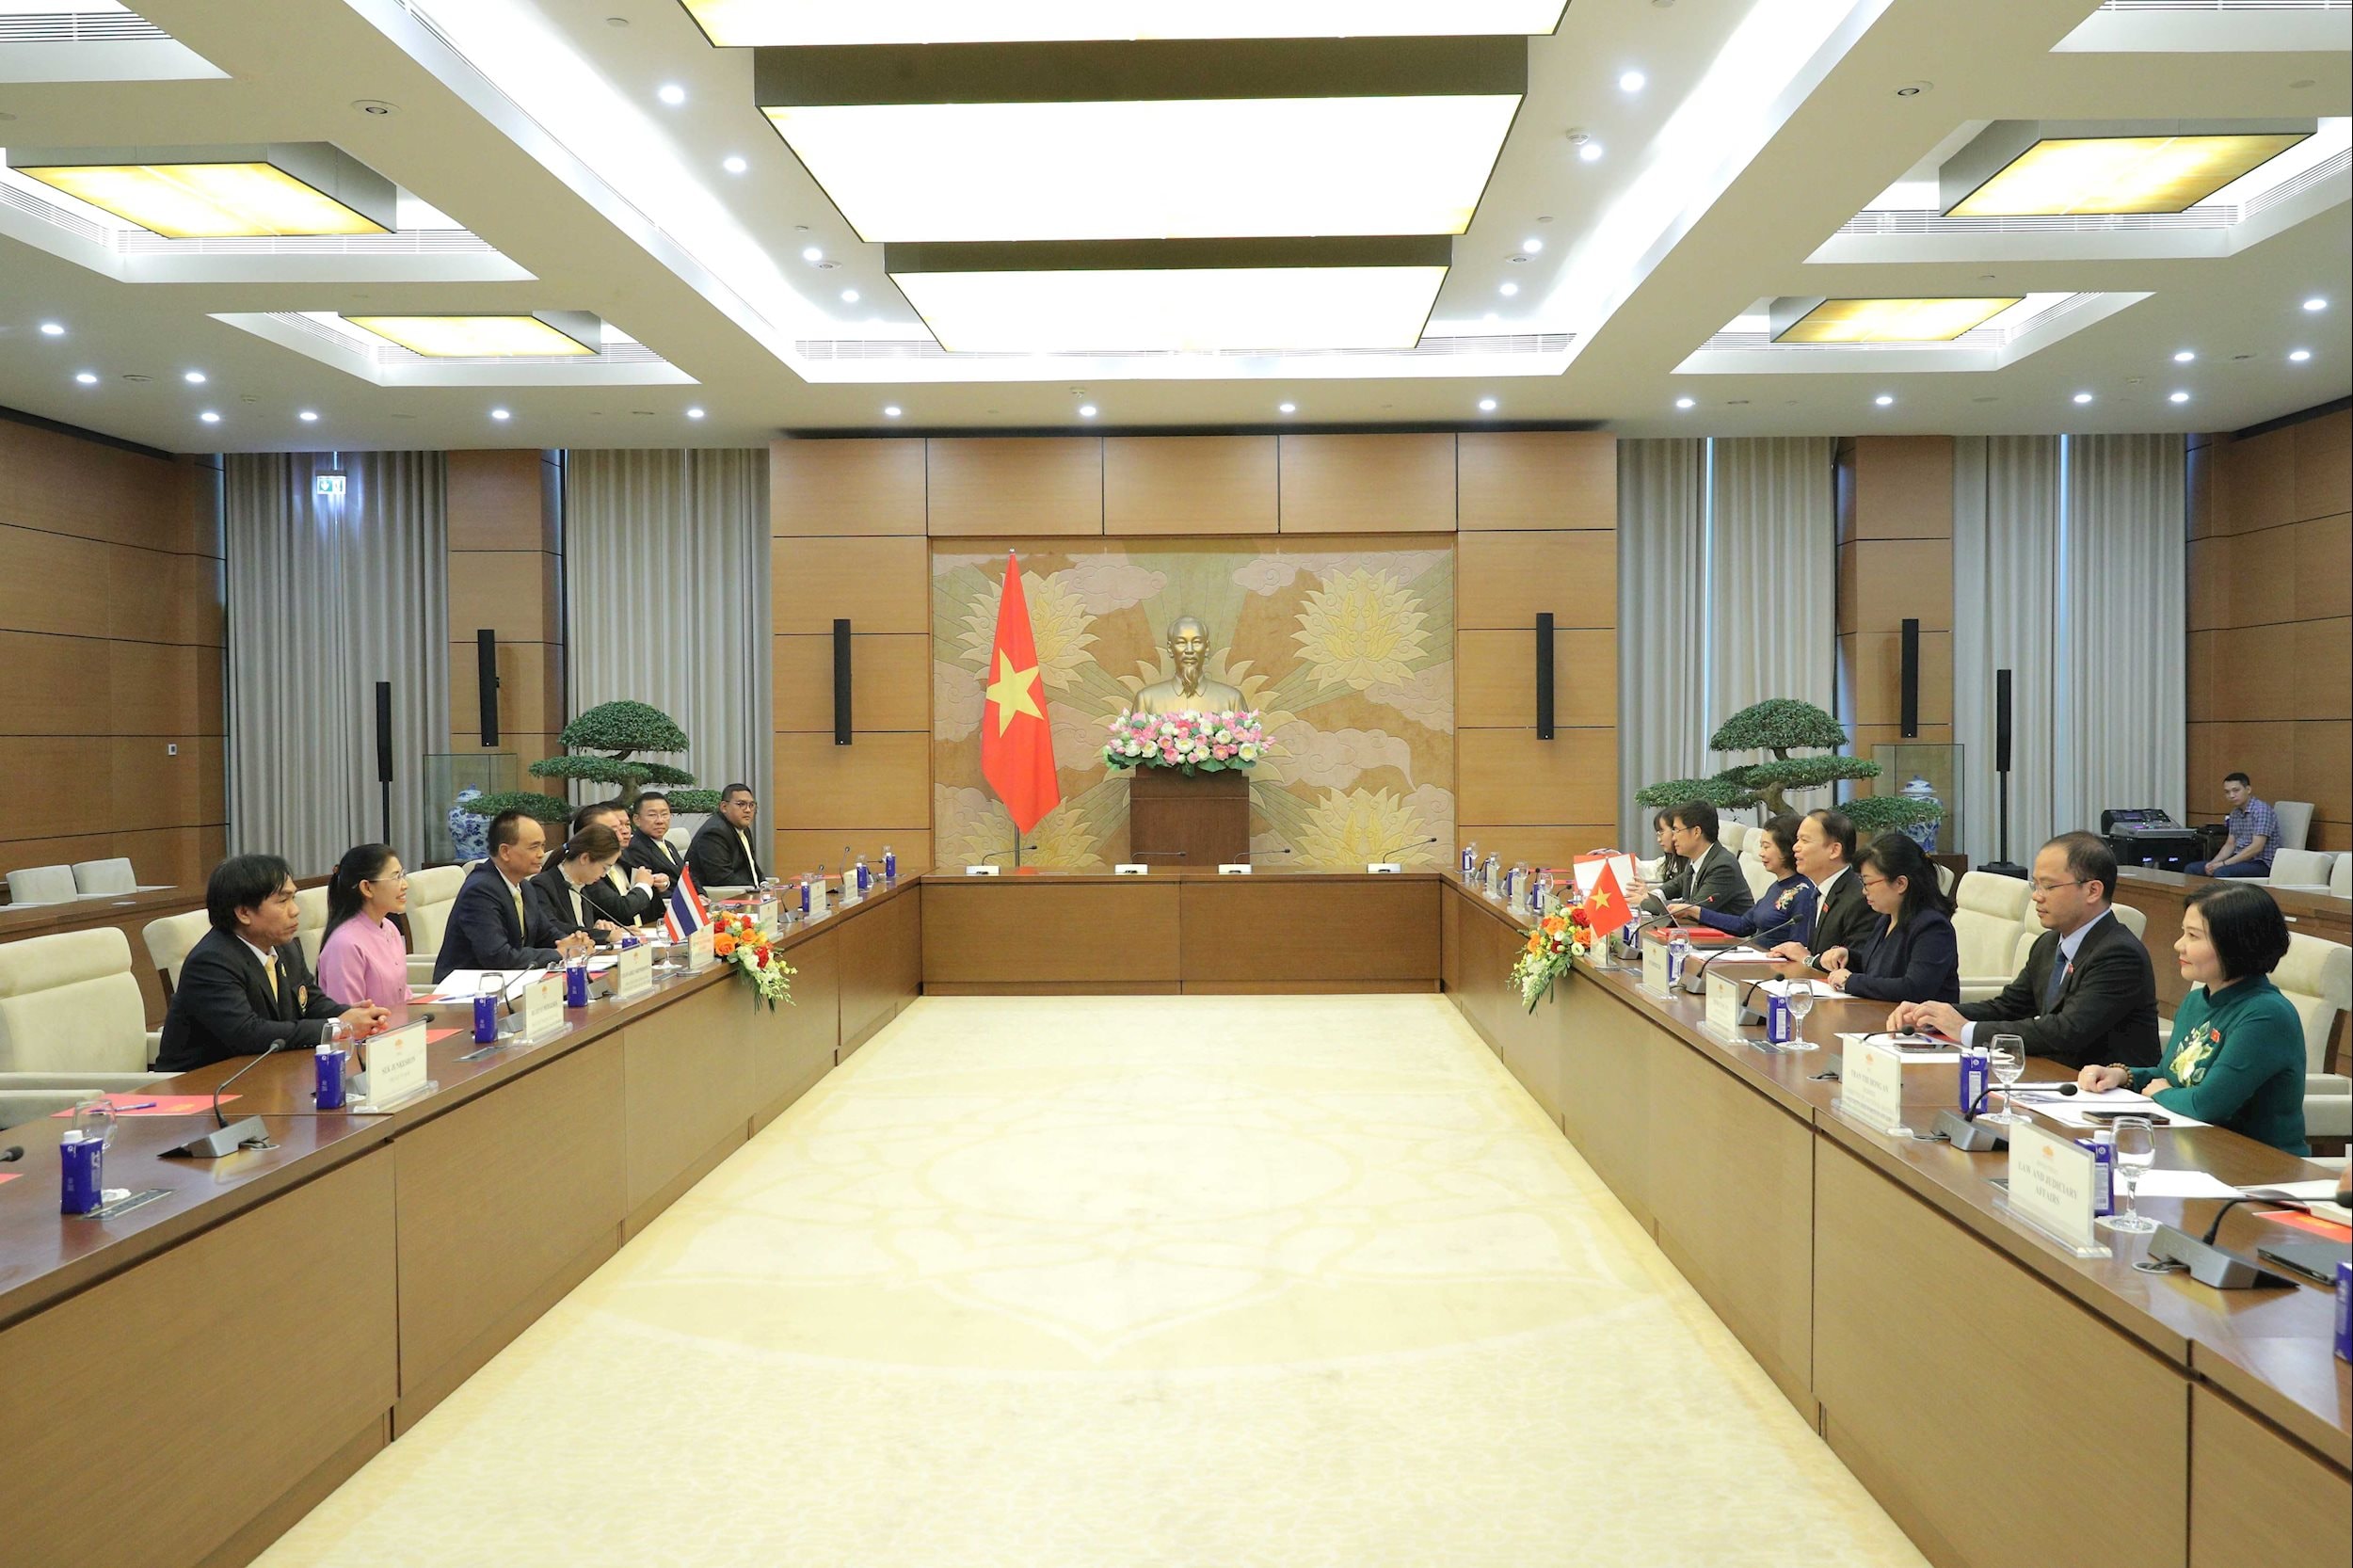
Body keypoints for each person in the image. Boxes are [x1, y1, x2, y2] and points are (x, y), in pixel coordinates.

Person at [1889, 832, 2159, 1069]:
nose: (2036, 896)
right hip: (2050, 1078)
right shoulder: (2048, 943)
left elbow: (2066, 1031)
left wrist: (1966, 1030)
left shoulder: (2119, 954)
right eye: (2035, 884)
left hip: (2105, 1093)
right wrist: (1936, 1015)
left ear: (2092, 890)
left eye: (2048, 886)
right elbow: (2008, 1007)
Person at [2076, 884, 2306, 1155]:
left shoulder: (2266, 1015)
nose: (2179, 945)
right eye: (2183, 932)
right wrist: (2120, 1075)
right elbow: (2169, 1077)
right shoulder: (2196, 1001)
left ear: (2236, 944)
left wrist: (2159, 1092)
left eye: (2193, 936)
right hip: (2195, 1149)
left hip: (2257, 1163)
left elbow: (2207, 1105)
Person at [154, 855, 391, 1073]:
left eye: (293, 898)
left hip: (264, 1072)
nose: (295, 910)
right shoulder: (212, 961)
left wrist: (352, 1016)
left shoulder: (284, 946)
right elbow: (247, 1033)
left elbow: (310, 1000)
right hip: (204, 1085)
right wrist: (338, 1026)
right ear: (244, 913)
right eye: (282, 901)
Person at [433, 808, 593, 981]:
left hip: (509, 982)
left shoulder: (524, 886)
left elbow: (546, 934)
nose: (541, 854)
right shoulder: (480, 891)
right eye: (534, 847)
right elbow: (498, 957)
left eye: (542, 846)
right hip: (468, 989)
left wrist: (574, 942)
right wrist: (560, 953)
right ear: (505, 852)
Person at [1821, 833, 1960, 1004]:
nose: (1864, 891)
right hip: (1879, 1013)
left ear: (1900, 883)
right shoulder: (1887, 917)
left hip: (1917, 1020)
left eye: (1868, 883)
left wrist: (1850, 981)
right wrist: (1849, 957)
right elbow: (1880, 968)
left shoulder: (1933, 927)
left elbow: (1914, 988)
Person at [1677, 813, 1816, 948]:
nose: (1761, 853)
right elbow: (1743, 925)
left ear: (1787, 849)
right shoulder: (1777, 886)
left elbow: (1798, 947)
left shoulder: (1803, 892)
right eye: (1761, 846)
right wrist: (1693, 911)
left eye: (1766, 847)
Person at [1767, 808, 1877, 968]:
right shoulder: (1819, 891)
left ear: (1834, 850)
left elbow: (1854, 964)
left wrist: (1807, 959)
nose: (1795, 847)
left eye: (1805, 841)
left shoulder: (1860, 899)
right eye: (1797, 840)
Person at [315, 843, 410, 1010]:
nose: (405, 885)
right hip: (370, 1027)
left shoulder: (389, 928)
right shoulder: (345, 944)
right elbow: (348, 1017)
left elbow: (403, 996)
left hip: (402, 1024)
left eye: (403, 875)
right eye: (396, 877)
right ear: (366, 887)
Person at [1646, 801, 1753, 919]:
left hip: (1725, 931)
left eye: (1676, 830)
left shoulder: (1723, 866)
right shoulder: (1697, 860)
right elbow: (1678, 883)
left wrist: (1646, 902)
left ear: (1696, 832)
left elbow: (1692, 909)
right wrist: (1654, 895)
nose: (1673, 838)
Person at [531, 823, 631, 944]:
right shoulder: (542, 885)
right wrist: (602, 935)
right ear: (585, 858)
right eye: (604, 868)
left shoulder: (583, 886)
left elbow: (578, 927)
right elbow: (552, 928)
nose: (604, 875)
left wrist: (597, 928)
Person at [572, 800, 664, 925]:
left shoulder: (627, 857)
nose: (622, 834)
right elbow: (622, 909)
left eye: (626, 825)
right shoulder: (586, 868)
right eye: (613, 830)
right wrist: (644, 885)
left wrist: (656, 882)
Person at [2185, 772, 2277, 879]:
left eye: (2236, 790)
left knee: (2221, 872)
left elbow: (2257, 847)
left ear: (2248, 790)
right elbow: (2230, 844)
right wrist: (2213, 863)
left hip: (2261, 863)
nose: (2231, 795)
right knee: (2192, 869)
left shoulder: (2261, 810)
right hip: (2238, 860)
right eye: (2227, 792)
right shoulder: (2235, 813)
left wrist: (2224, 864)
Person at [686, 782, 763, 889]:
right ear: (724, 807)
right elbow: (722, 879)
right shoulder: (714, 833)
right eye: (741, 804)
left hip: (743, 891)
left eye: (751, 805)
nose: (748, 810)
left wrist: (764, 884)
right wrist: (754, 890)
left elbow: (751, 866)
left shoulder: (743, 829)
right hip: (718, 895)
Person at [622, 791, 687, 888]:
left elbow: (687, 876)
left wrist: (700, 894)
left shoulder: (669, 845)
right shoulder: (635, 847)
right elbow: (652, 888)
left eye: (664, 814)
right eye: (652, 815)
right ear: (637, 819)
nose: (660, 821)